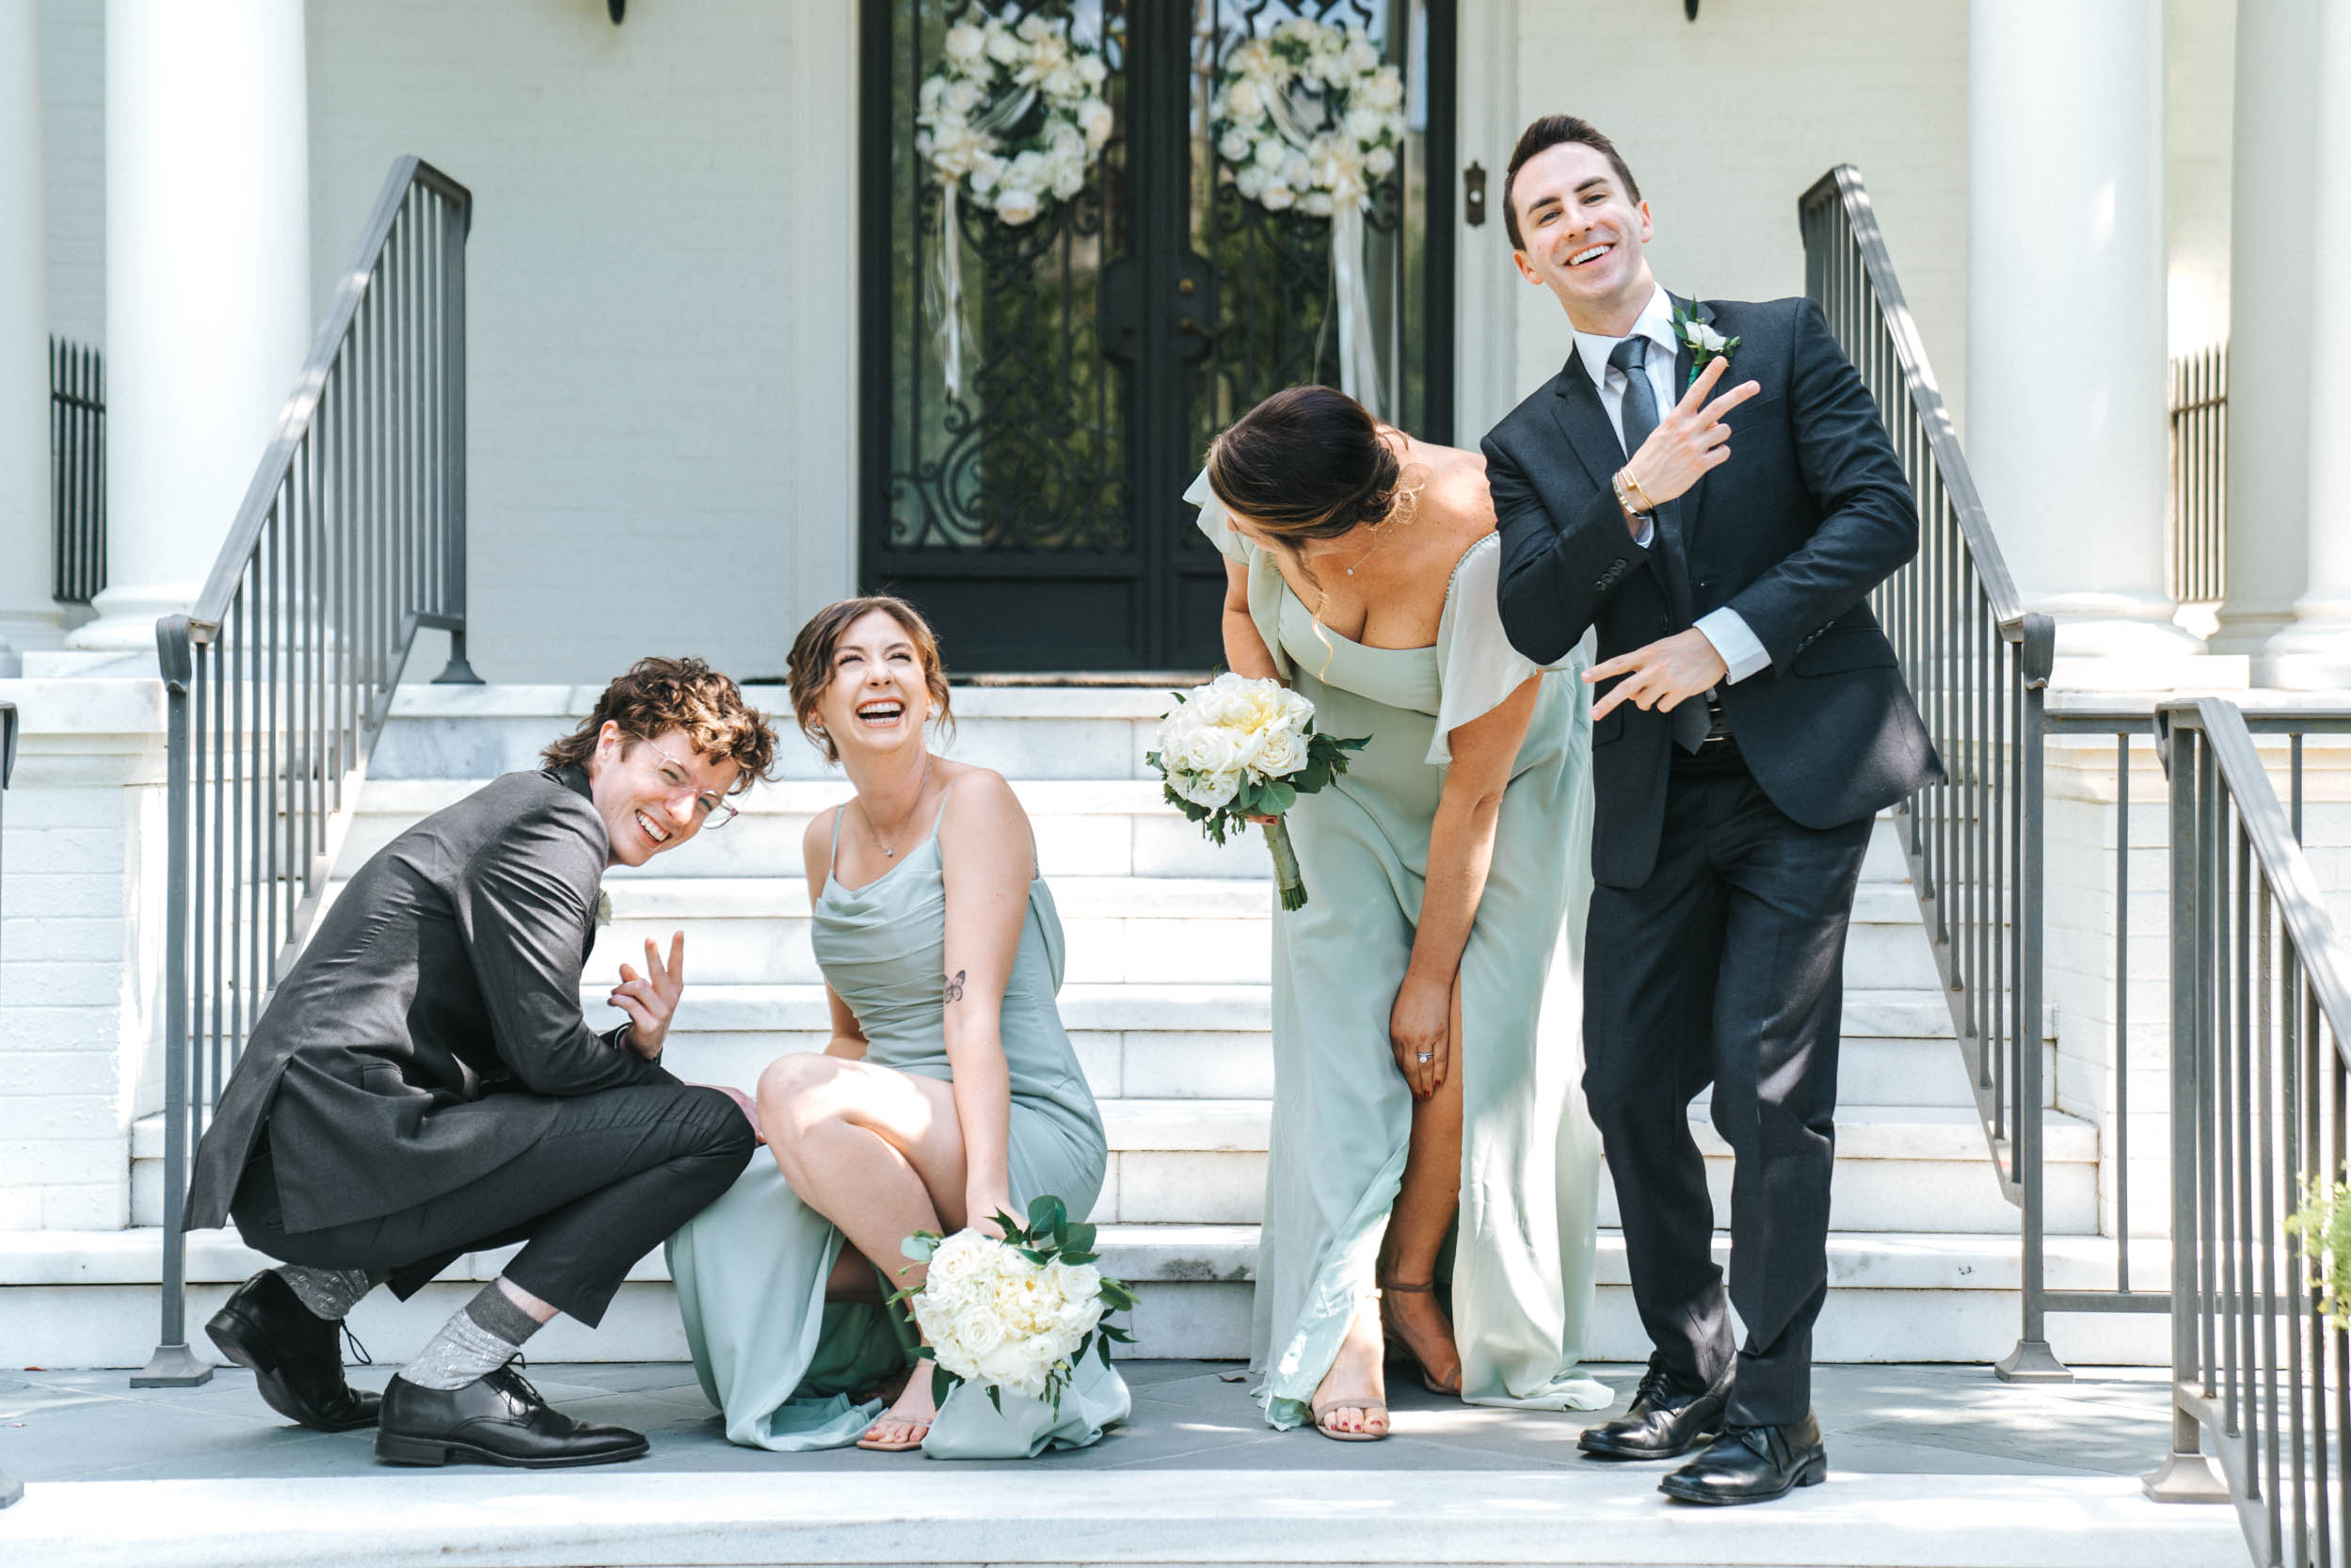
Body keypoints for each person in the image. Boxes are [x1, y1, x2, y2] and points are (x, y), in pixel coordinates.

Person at [1482, 115, 1941, 1505]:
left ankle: (1781, 1415)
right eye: (1546, 213)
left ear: (1640, 207)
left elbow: (1879, 514)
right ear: (1524, 259)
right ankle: (1691, 1363)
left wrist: (1724, 638)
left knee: (1766, 1089)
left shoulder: (1780, 337)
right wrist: (1626, 498)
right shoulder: (1529, 442)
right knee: (1623, 1084)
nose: (1578, 222)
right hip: (1653, 799)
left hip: (1801, 770)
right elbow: (1526, 618)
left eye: (1594, 194)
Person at [184, 656, 776, 1468]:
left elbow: (523, 1067)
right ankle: (452, 1382)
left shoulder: (529, 810)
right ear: (610, 743)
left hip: (320, 1153)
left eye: (704, 801)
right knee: (707, 1129)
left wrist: (636, 1060)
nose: (680, 813)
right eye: (670, 775)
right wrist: (646, 1071)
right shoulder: (555, 829)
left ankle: (294, 1311)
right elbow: (550, 1063)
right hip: (341, 1145)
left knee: (647, 1123)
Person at [1191, 385, 1610, 1443]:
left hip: (1499, 790)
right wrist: (1264, 733)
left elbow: (1471, 794)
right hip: (1336, 774)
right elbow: (1244, 614)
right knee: (1341, 1044)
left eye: (1266, 537)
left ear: (1347, 520)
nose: (1240, 536)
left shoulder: (1490, 547)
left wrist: (1429, 979)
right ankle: (1348, 1323)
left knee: (1466, 1045)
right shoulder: (1264, 472)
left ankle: (1418, 1277)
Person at [665, 596, 1125, 1458]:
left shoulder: (977, 802)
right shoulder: (823, 839)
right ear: (816, 709)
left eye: (900, 658)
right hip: (898, 1120)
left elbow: (971, 1015)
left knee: (791, 1082)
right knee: (715, 1211)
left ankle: (944, 1339)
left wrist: (989, 1192)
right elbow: (851, 1033)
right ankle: (910, 1329)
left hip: (1014, 1120)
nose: (878, 674)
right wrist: (795, 1152)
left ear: (929, 689)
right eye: (849, 662)